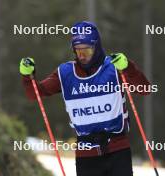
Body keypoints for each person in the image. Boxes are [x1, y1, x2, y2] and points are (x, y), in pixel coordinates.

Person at [19, 21, 151, 176]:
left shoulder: (113, 68)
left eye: (87, 51)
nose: (82, 56)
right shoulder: (66, 73)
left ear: (97, 46)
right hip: (86, 154)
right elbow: (35, 94)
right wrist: (27, 76)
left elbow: (145, 89)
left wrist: (128, 67)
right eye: (78, 51)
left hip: (117, 149)